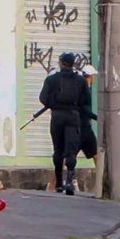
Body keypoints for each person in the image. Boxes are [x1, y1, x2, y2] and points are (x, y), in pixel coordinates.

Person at [39, 52, 90, 196]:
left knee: (58, 149)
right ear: (73, 63)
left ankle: (59, 184)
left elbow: (43, 98)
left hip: (57, 116)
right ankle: (69, 182)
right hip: (73, 116)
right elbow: (86, 100)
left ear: (61, 63)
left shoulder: (51, 79)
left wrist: (54, 105)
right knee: (71, 150)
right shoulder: (81, 81)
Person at [79, 64, 99, 171]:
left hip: (75, 127)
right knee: (96, 154)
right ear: (90, 77)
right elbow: (85, 109)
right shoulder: (85, 89)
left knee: (67, 156)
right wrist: (98, 118)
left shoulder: (78, 87)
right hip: (85, 128)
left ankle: (53, 185)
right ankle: (103, 180)